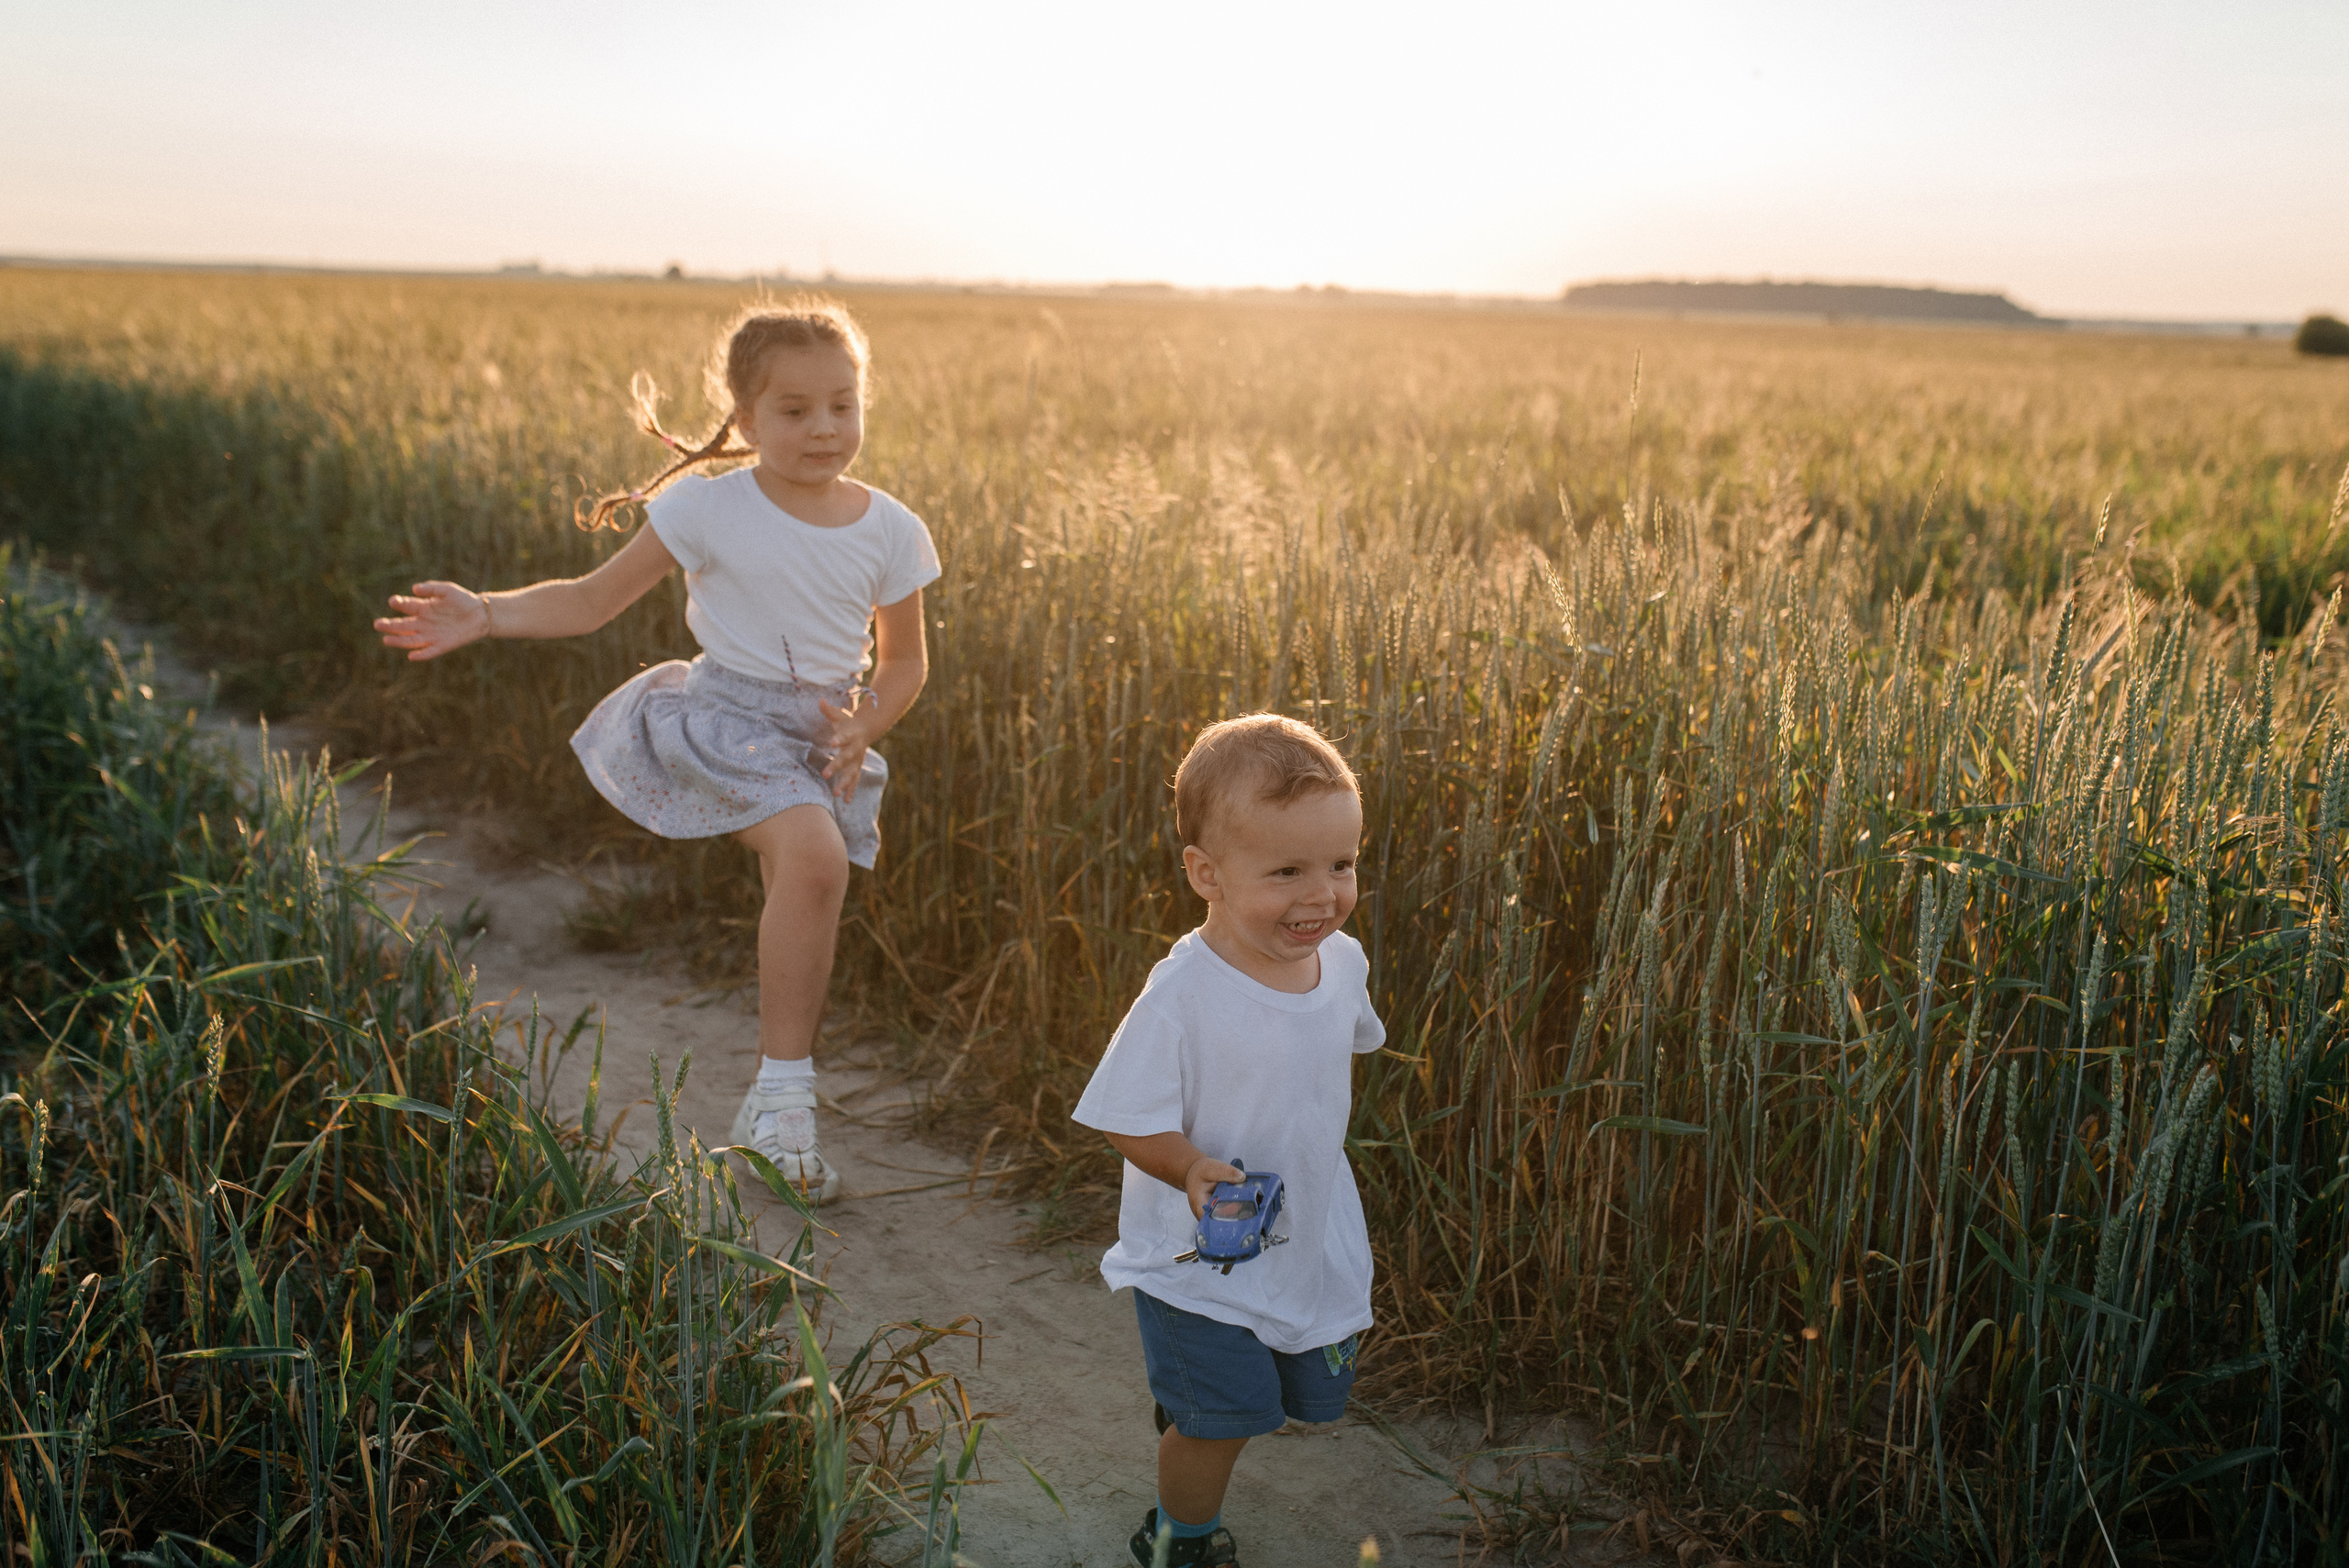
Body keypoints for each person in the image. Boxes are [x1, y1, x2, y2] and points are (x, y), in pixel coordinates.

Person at [373, 297, 939, 1205]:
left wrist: (867, 720)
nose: (824, 428)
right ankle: (787, 1103)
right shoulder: (708, 507)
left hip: (824, 736)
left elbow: (905, 660)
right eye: (794, 409)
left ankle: (772, 1098)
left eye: (843, 404)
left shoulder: (892, 528)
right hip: (725, 721)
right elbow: (589, 600)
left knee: (804, 885)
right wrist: (488, 612)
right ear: (745, 418)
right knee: (815, 858)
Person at [1072, 713, 1385, 1567]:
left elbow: (1328, 1051)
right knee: (1230, 1413)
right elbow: (1125, 1113)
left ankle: (1189, 1408)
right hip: (1198, 1248)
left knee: (1297, 1388)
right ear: (1206, 873)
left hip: (1304, 1227)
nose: (1321, 894)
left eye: (1342, 864)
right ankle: (1180, 1537)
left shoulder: (1342, 963)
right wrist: (1189, 1166)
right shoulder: (1182, 995)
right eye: (1286, 871)